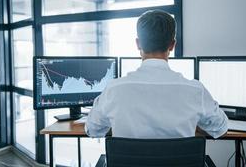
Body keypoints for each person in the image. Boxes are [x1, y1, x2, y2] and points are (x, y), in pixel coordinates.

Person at [85, 10, 228, 139]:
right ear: (172, 45)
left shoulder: (114, 89)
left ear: (138, 44)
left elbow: (92, 130)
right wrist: (191, 123)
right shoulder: (195, 90)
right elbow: (220, 128)